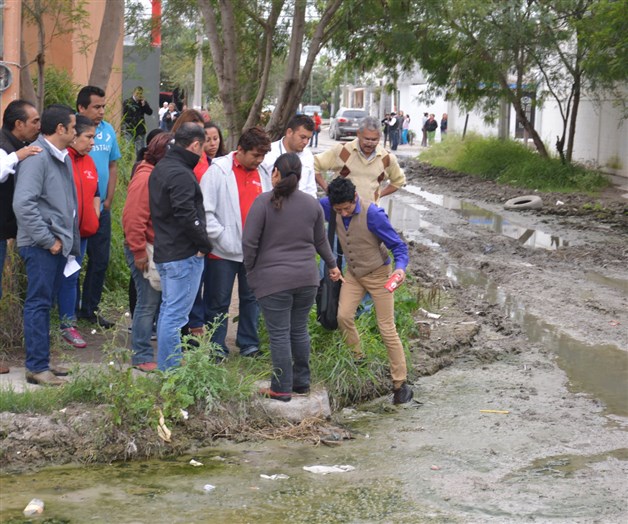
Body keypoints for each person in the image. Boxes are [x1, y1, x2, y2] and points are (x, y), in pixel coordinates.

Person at [243, 153, 341, 401]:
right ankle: (302, 383)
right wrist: (332, 265)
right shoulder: (311, 204)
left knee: (279, 334)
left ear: (275, 172)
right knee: (299, 330)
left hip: (273, 280)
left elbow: (249, 243)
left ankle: (281, 388)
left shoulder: (263, 202)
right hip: (306, 279)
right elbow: (321, 240)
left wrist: (251, 272)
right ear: (299, 176)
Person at [321, 177, 413, 404]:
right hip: (353, 274)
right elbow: (306, 207)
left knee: (386, 328)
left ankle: (400, 383)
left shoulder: (374, 215)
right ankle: (358, 358)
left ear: (354, 198)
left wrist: (400, 270)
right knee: (343, 316)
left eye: (346, 208)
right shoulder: (327, 206)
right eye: (337, 210)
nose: (343, 213)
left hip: (379, 275)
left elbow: (398, 247)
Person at [13, 104, 79, 386]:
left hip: (56, 245)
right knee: (38, 304)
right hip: (41, 245)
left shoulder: (60, 156)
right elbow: (23, 204)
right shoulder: (37, 158)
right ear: (61, 129)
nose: (76, 132)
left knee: (45, 304)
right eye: (74, 127)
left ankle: (43, 361)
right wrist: (48, 240)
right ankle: (36, 367)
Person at [200, 126, 271, 360]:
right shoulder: (218, 171)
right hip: (222, 251)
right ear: (240, 149)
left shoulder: (264, 173)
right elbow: (205, 211)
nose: (259, 160)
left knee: (252, 299)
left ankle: (249, 343)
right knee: (217, 301)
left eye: (263, 156)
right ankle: (216, 347)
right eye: (255, 155)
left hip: (254, 251)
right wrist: (222, 237)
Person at [148, 123, 213, 371]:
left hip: (167, 250)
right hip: (182, 254)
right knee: (175, 315)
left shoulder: (163, 166)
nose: (203, 154)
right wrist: (204, 243)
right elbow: (186, 214)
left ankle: (168, 366)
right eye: (203, 148)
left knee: (169, 311)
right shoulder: (180, 173)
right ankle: (171, 370)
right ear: (195, 145)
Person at [123, 132, 173, 372]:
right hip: (144, 248)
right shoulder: (146, 178)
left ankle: (153, 353)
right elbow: (133, 219)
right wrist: (139, 252)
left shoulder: (155, 174)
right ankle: (141, 356)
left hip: (154, 246)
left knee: (156, 301)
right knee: (148, 302)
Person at [0, 99, 41, 375]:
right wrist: (19, 156)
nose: (39, 126)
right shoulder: (6, 147)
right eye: (34, 121)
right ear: (19, 124)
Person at [76, 85, 121, 329]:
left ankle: (89, 309)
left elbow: (112, 166)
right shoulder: (73, 130)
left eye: (104, 106)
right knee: (74, 260)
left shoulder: (108, 131)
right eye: (96, 107)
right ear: (82, 108)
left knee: (100, 259)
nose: (102, 111)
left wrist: (108, 200)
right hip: (78, 210)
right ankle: (69, 311)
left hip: (101, 208)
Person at [57, 115, 100, 349]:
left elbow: (96, 192)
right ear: (73, 136)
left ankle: (68, 323)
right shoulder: (62, 160)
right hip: (61, 234)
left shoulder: (89, 162)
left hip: (83, 234)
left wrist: (94, 217)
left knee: (72, 277)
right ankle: (64, 323)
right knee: (62, 278)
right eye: (88, 137)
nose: (92, 142)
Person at [186, 121, 227, 335]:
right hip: (200, 227)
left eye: (215, 139)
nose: (212, 143)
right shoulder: (196, 164)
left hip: (218, 229)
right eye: (207, 139)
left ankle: (209, 323)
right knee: (197, 279)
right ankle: (195, 323)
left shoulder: (223, 163)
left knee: (213, 280)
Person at [314, 116, 406, 203]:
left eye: (374, 140)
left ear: (380, 137)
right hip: (340, 211)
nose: (370, 143)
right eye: (366, 139)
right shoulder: (342, 150)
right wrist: (328, 190)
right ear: (358, 134)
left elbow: (398, 181)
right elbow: (314, 164)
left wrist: (378, 196)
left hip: (369, 213)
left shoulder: (387, 158)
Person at [259, 114, 317, 198]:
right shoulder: (269, 154)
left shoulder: (308, 156)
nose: (306, 142)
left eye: (308, 138)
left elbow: (311, 189)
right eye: (303, 137)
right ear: (289, 132)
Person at [122, 86, 153, 155]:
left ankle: (138, 163)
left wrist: (144, 105)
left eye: (140, 93)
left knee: (139, 149)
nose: (138, 95)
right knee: (128, 147)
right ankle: (128, 163)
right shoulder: (128, 102)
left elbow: (150, 112)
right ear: (134, 93)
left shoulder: (143, 103)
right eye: (137, 93)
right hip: (129, 128)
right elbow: (124, 115)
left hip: (140, 129)